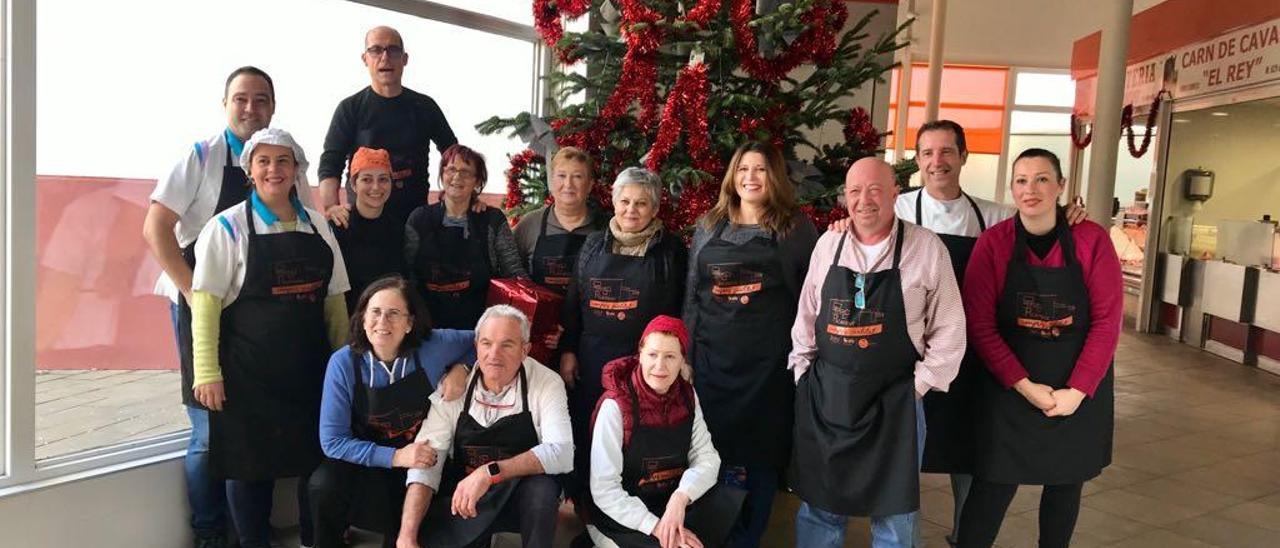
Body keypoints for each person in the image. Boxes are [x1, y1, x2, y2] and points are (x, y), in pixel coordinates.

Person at [142, 66, 292, 548]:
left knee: (251, 421)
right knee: (208, 425)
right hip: (200, 304)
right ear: (225, 104)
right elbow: (155, 228)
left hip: (254, 310)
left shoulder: (280, 160)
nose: (251, 108)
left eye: (261, 99)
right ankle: (209, 533)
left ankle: (248, 529)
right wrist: (193, 295)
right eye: (241, 99)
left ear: (273, 106)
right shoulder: (201, 156)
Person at [788, 158, 966, 548]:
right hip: (828, 399)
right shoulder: (828, 244)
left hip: (896, 402)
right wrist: (805, 377)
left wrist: (916, 389)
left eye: (874, 189)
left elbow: (951, 331)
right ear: (844, 198)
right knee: (821, 507)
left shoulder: (926, 247)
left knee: (895, 515)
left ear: (894, 194)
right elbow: (805, 318)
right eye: (854, 191)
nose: (863, 200)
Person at [190, 128, 350, 548]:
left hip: (310, 374)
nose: (273, 170)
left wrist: (347, 368)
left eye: (283, 161)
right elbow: (204, 306)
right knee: (249, 472)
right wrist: (207, 371)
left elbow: (334, 303)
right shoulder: (225, 228)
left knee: (314, 466)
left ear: (297, 169)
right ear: (250, 170)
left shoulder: (319, 227)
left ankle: (315, 541)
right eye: (263, 161)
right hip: (247, 377)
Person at [957, 149, 1121, 548]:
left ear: (1061, 186)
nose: (1031, 189)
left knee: (1065, 485)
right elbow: (979, 324)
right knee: (992, 484)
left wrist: (1078, 391)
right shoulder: (994, 244)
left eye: (1043, 179)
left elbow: (1107, 321)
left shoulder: (1091, 240)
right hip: (1010, 387)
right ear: (1012, 188)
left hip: (1075, 388)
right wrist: (1024, 385)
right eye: (1022, 180)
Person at [682, 141, 819, 548]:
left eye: (760, 169)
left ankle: (748, 539)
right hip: (712, 365)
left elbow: (810, 299)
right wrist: (686, 356)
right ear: (732, 175)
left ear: (774, 176)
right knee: (711, 453)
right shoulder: (710, 224)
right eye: (743, 168)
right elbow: (692, 294)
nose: (750, 177)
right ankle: (709, 536)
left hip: (768, 369)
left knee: (760, 459)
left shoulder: (795, 228)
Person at [310, 276, 475, 548]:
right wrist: (396, 456)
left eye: (394, 314)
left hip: (421, 457)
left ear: (410, 323)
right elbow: (332, 442)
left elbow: (484, 340)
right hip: (366, 457)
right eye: (375, 312)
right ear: (362, 318)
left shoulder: (434, 346)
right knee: (323, 486)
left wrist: (463, 368)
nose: (382, 322)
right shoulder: (342, 363)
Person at [560, 167, 687, 504]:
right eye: (625, 201)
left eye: (641, 203)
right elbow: (573, 302)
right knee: (592, 432)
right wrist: (569, 350)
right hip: (593, 358)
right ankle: (588, 509)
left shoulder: (671, 250)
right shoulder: (591, 245)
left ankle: (633, 510)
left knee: (634, 436)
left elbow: (680, 309)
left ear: (656, 208)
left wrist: (678, 360)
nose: (631, 210)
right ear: (614, 203)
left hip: (645, 363)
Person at [397, 305, 573, 548]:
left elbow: (562, 453)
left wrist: (489, 473)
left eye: (507, 345)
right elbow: (427, 458)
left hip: (519, 491)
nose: (494, 354)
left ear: (525, 350)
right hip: (466, 492)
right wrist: (407, 536)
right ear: (476, 345)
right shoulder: (455, 386)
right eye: (486, 343)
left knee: (542, 492)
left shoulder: (546, 382)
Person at [587, 315, 743, 548]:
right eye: (652, 355)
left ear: (682, 360)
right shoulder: (615, 405)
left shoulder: (688, 396)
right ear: (640, 355)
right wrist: (658, 527)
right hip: (624, 512)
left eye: (670, 357)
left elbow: (708, 458)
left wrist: (680, 498)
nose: (660, 366)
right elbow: (604, 489)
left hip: (670, 501)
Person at [318, 26, 458, 225]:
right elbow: (331, 162)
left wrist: (464, 197)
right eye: (376, 50)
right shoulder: (349, 108)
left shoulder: (425, 106)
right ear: (364, 59)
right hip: (364, 220)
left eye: (393, 50)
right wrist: (331, 207)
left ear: (405, 59)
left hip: (414, 221)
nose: (385, 57)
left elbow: (454, 155)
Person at [405, 144, 527, 329]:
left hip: (480, 331)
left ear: (477, 181)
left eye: (466, 172)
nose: (457, 177)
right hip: (428, 329)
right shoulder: (419, 219)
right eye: (451, 169)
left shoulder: (492, 220)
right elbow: (407, 275)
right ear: (442, 174)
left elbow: (515, 274)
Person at [513, 146, 610, 294]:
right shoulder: (529, 224)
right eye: (561, 176)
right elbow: (511, 275)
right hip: (540, 316)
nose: (568, 184)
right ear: (551, 181)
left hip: (587, 316)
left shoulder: (607, 227)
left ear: (590, 185)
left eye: (577, 176)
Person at [331, 147, 410, 313]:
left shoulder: (399, 229)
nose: (376, 187)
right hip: (347, 322)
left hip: (385, 323)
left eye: (383, 179)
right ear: (353, 184)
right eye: (367, 180)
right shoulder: (338, 226)